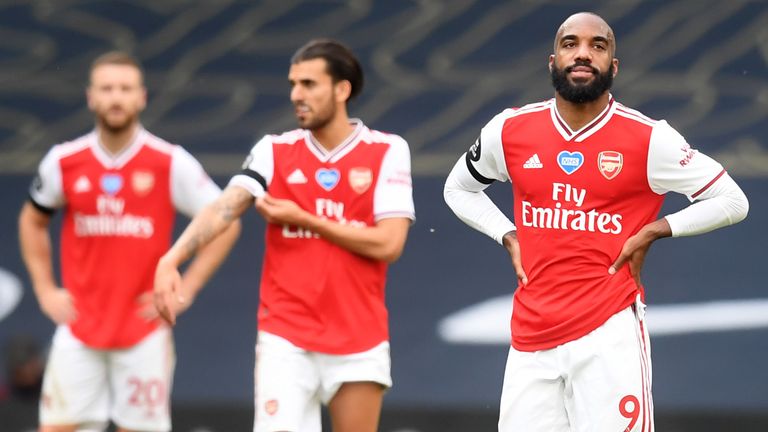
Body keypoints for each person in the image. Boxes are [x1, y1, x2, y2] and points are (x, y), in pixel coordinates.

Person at [444, 12, 749, 432]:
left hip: (608, 331)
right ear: (553, 61)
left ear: (613, 66)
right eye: (570, 44)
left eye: (597, 46)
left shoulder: (649, 138)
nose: (583, 54)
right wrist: (507, 234)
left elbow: (732, 200)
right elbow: (458, 188)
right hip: (531, 336)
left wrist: (655, 229)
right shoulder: (510, 129)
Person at [154, 38, 414, 432]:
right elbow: (226, 206)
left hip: (358, 338)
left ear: (342, 90)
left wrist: (307, 219)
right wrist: (172, 258)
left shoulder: (387, 150)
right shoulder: (274, 151)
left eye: (309, 84)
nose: (296, 95)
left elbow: (389, 244)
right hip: (285, 338)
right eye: (293, 84)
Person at [18, 51, 241, 432]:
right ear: (91, 96)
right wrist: (43, 289)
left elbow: (226, 221)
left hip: (144, 332)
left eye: (125, 88)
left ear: (142, 97)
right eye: (107, 88)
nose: (116, 98)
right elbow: (32, 220)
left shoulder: (169, 161)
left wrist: (187, 287)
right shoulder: (64, 160)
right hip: (79, 328)